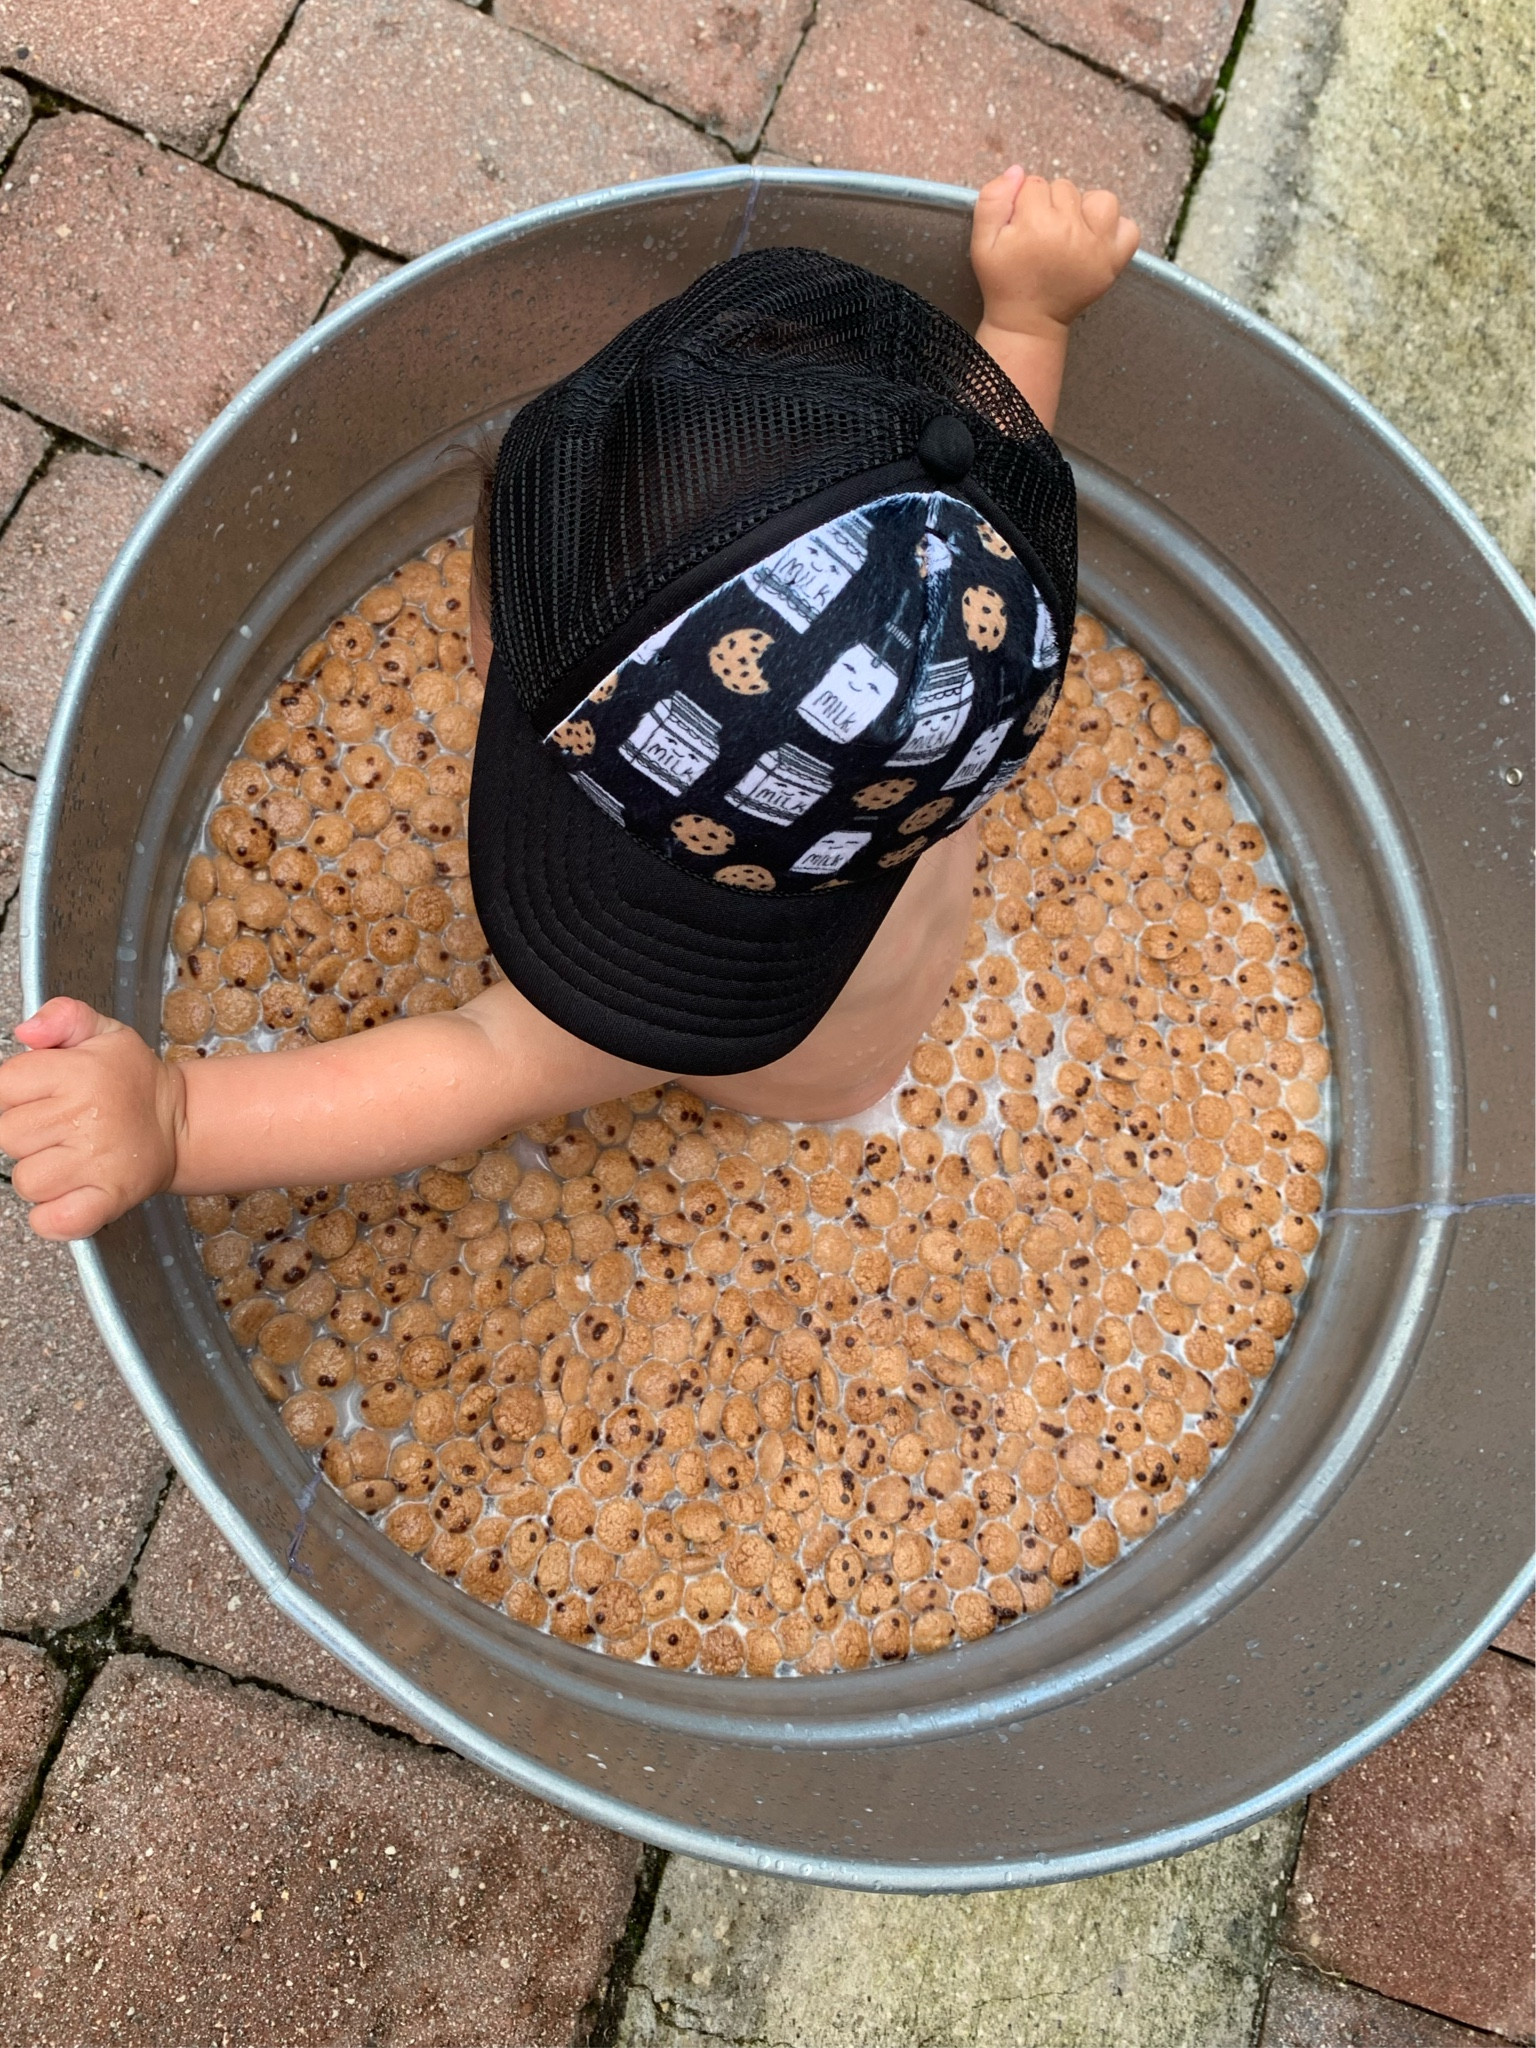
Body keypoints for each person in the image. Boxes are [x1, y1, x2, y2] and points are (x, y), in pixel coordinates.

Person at [0, 170, 1138, 1244]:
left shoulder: (694, 963)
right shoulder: (946, 675)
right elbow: (983, 468)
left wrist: (175, 1117)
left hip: (814, 1082)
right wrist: (1031, 320)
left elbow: (470, 1061)